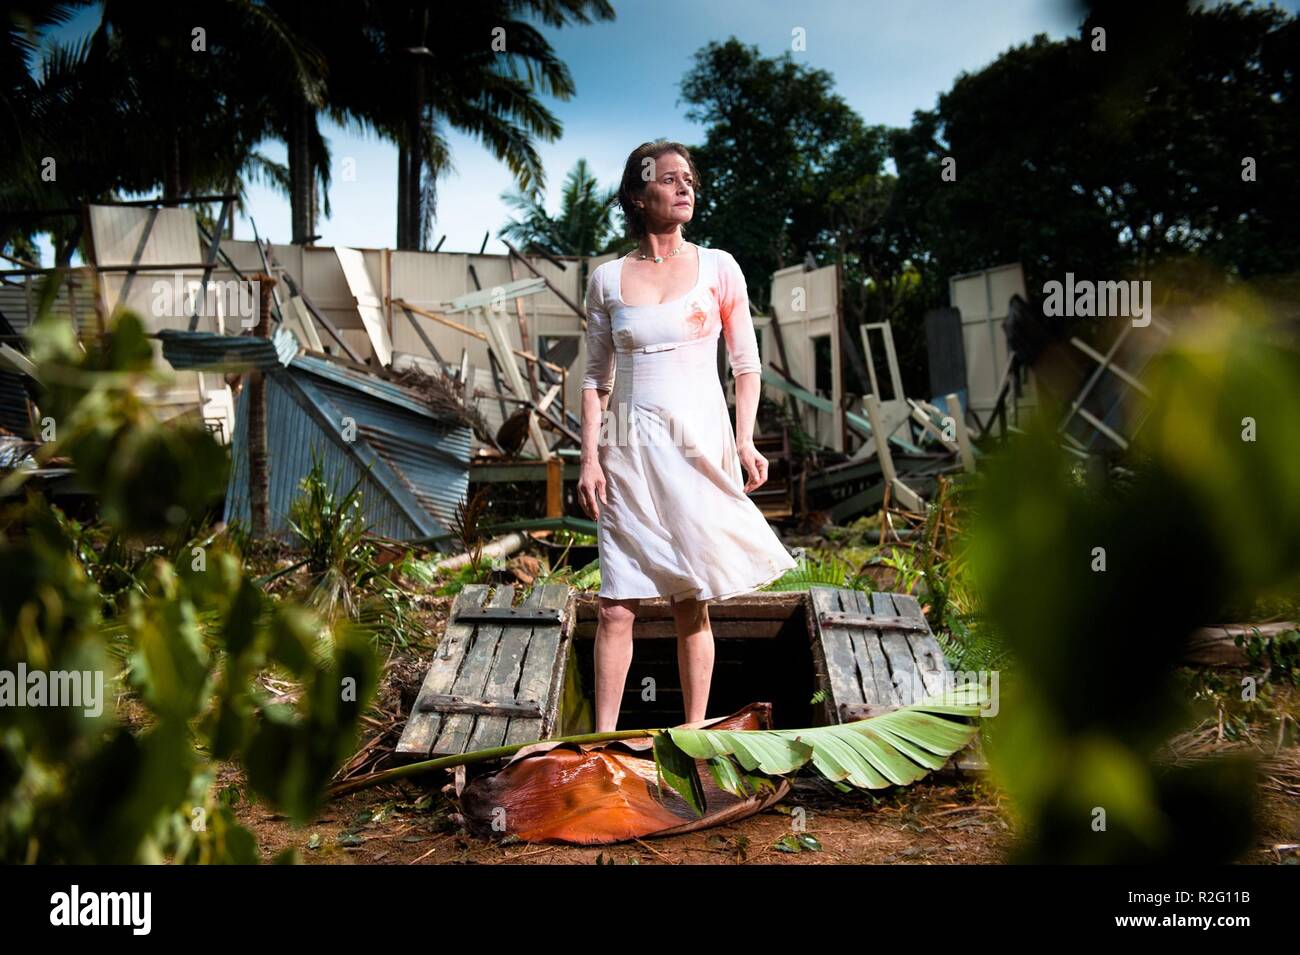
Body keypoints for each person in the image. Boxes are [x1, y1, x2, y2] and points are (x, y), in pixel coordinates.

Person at [577, 139, 797, 732]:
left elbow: (746, 365)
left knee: (690, 600)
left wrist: (746, 439)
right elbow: (595, 379)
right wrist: (589, 460)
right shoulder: (606, 280)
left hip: (699, 444)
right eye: (669, 179)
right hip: (627, 452)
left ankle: (693, 733)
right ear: (636, 195)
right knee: (616, 605)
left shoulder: (719, 267)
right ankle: (602, 742)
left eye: (690, 180)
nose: (684, 188)